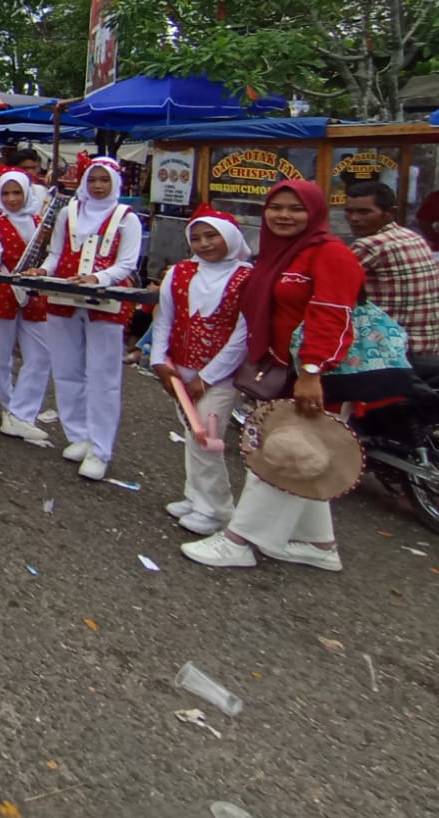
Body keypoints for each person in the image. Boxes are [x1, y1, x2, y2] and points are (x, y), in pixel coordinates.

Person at [183, 180, 364, 571]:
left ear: (315, 213)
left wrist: (312, 371)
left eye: (296, 209)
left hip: (313, 376)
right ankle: (320, 545)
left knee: (281, 456)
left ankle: (238, 540)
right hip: (283, 372)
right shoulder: (280, 254)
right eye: (276, 206)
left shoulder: (329, 254)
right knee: (305, 456)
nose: (284, 215)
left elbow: (331, 314)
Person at [25, 156, 142, 482]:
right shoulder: (68, 213)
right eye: (93, 179)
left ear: (115, 183)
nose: (98, 186)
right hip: (63, 296)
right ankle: (79, 435)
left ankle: (101, 448)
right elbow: (56, 254)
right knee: (66, 369)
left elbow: (127, 263)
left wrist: (98, 278)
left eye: (104, 180)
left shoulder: (126, 218)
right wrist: (44, 271)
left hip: (105, 302)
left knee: (103, 376)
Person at [151, 207, 251, 536]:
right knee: (190, 433)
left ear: (232, 238)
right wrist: (160, 361)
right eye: (196, 237)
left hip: (218, 375)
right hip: (179, 369)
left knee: (206, 437)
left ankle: (218, 509)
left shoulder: (245, 278)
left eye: (212, 236)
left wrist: (206, 378)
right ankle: (196, 496)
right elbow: (165, 317)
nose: (204, 244)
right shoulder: (180, 272)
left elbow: (241, 335)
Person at [0, 170, 52, 444]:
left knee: (41, 354)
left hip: (32, 293)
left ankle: (22, 412)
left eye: (17, 192)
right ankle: (9, 408)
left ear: (27, 193)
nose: (11, 199)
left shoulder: (39, 223)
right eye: (6, 193)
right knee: (2, 356)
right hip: (1, 291)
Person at [344, 179, 439, 357]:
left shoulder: (370, 245)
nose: (354, 218)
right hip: (429, 346)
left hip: (393, 350)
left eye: (364, 212)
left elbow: (327, 286)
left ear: (390, 213)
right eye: (349, 211)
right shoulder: (412, 236)